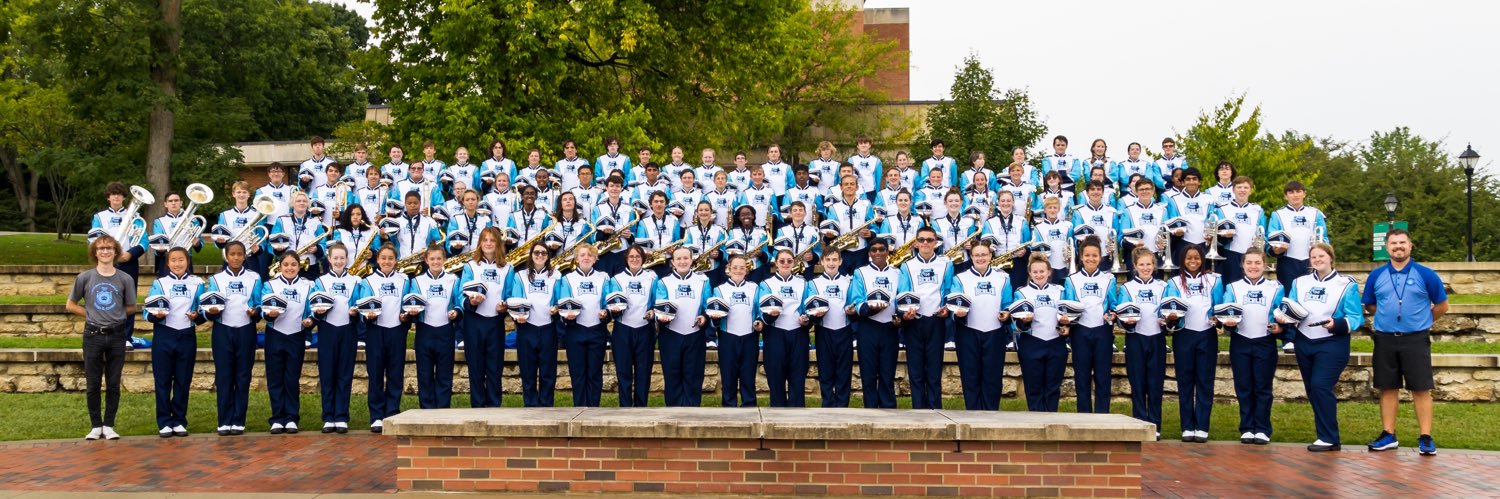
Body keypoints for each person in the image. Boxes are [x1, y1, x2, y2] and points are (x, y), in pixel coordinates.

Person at [1363, 229, 1446, 455]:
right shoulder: (1376, 275)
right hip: (1385, 338)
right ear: (1387, 247)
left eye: (1402, 243)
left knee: (1421, 388)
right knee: (1388, 387)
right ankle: (1388, 434)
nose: (1398, 247)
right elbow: (1370, 305)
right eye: (1393, 243)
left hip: (1415, 339)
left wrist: (1423, 321)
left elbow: (1442, 305)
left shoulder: (1426, 274)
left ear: (1410, 246)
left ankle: (1426, 437)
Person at [67, 235, 137, 440]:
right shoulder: (85, 278)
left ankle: (109, 425)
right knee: (93, 383)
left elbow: (132, 306)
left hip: (116, 335)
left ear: (115, 252)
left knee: (114, 383)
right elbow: (70, 304)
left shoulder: (125, 279)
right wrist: (90, 315)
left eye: (109, 248)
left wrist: (116, 315)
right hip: (93, 335)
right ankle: (95, 426)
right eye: (100, 249)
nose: (105, 252)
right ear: (95, 253)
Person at [1219, 248, 1284, 445]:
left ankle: (1262, 428)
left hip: (1265, 341)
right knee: (1244, 386)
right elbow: (1225, 313)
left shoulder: (1276, 287)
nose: (1253, 267)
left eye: (1257, 263)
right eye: (1249, 263)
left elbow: (1282, 313)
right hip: (1241, 340)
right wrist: (1227, 322)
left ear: (1265, 265)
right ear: (1243, 265)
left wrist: (1280, 327)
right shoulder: (1233, 287)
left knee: (1263, 387)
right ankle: (1247, 427)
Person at [1164, 245, 1223, 443]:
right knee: (1185, 382)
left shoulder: (1215, 280)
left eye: (1196, 257)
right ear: (1182, 260)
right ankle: (1187, 426)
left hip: (1206, 334)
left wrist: (1218, 318)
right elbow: (1168, 309)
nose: (1193, 261)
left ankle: (1202, 426)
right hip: (1183, 335)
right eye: (1188, 258)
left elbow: (1219, 306)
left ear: (1202, 259)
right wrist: (1170, 317)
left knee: (1205, 382)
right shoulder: (1173, 282)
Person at [203, 241, 261, 436]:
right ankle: (224, 420)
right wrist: (210, 311)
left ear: (245, 256)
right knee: (224, 376)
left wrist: (255, 312)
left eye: (239, 254)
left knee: (243, 376)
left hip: (246, 330)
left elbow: (260, 304)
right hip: (223, 330)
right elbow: (210, 304)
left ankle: (238, 420)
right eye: (232, 254)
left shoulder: (254, 278)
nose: (236, 257)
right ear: (226, 256)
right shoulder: (216, 279)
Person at [144, 247, 203, 437]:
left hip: (186, 335)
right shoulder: (159, 284)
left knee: (183, 380)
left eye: (181, 260)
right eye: (173, 260)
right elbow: (147, 311)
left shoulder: (198, 283)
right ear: (167, 263)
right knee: (162, 381)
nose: (177, 264)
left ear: (188, 261)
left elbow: (204, 310)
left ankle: (179, 420)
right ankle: (164, 421)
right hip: (164, 335)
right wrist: (156, 316)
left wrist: (197, 316)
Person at [1268, 180, 1329, 353]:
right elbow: (1270, 239)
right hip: (1288, 260)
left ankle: (1312, 333)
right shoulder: (1277, 215)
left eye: (1298, 191)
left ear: (1304, 193)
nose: (1295, 195)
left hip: (1310, 261)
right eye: (1291, 192)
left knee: (1310, 298)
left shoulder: (1315, 213)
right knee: (1288, 299)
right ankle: (1288, 337)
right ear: (1285, 195)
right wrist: (1274, 248)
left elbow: (1324, 238)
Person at [951, 241, 1013, 411]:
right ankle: (973, 413)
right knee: (970, 375)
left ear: (990, 256)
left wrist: (1006, 313)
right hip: (969, 332)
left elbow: (1008, 303)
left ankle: (991, 414)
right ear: (971, 257)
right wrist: (957, 313)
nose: (980, 258)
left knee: (992, 377)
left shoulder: (1003, 278)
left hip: (994, 332)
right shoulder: (960, 279)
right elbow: (953, 304)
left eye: (984, 254)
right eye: (977, 255)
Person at [896, 227, 952, 409]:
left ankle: (936, 409)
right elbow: (902, 293)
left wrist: (947, 309)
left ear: (936, 242)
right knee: (916, 369)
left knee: (934, 369)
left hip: (936, 320)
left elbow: (949, 291)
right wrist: (906, 311)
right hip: (915, 321)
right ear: (916, 243)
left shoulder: (946, 264)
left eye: (929, 240)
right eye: (922, 240)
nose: (926, 243)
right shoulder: (907, 265)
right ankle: (918, 409)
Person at [455, 227, 512, 408]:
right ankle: (478, 407)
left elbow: (510, 294)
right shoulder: (471, 266)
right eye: (485, 240)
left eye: (492, 240)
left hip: (495, 321)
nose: (488, 243)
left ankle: (494, 406)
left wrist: (505, 306)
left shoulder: (507, 268)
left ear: (498, 244)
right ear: (480, 243)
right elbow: (460, 295)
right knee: (476, 367)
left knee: (495, 367)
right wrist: (472, 301)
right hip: (474, 321)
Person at [1064, 236, 1121, 414]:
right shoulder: (1071, 280)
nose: (1091, 259)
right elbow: (1069, 306)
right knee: (1082, 377)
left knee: (1103, 376)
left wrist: (1113, 313)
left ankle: (1103, 417)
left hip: (1102, 331)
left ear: (1101, 257)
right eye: (1087, 255)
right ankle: (1084, 417)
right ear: (1081, 257)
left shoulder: (1109, 279)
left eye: (1094, 255)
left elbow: (1113, 305)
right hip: (1080, 332)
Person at [357, 244, 410, 434]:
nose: (387, 261)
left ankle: (393, 411)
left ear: (395, 261)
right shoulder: (368, 281)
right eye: (383, 258)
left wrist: (406, 316)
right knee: (376, 373)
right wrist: (367, 315)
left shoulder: (404, 280)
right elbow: (363, 305)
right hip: (376, 330)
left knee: (395, 373)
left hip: (396, 330)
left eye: (390, 258)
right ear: (377, 260)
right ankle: (377, 415)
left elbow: (408, 304)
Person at [847, 239, 905, 408]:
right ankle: (870, 409)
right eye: (874, 250)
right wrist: (868, 309)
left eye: (882, 249)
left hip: (890, 327)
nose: (878, 253)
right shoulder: (861, 272)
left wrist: (900, 316)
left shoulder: (897, 273)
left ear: (888, 252)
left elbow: (901, 297)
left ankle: (888, 409)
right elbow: (855, 299)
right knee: (868, 373)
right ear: (869, 253)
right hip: (868, 326)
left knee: (888, 372)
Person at [261, 251, 314, 434]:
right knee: (275, 377)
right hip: (275, 333)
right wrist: (269, 314)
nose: (289, 268)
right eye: (286, 265)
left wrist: (310, 321)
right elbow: (263, 309)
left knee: (292, 378)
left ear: (299, 266)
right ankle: (277, 417)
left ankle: (291, 417)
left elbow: (311, 310)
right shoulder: (270, 285)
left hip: (296, 335)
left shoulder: (308, 286)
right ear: (279, 266)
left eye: (293, 264)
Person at [310, 242, 360, 433]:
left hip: (347, 329)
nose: (339, 261)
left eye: (342, 258)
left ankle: (341, 416)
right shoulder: (320, 282)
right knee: (328, 373)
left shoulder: (356, 281)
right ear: (329, 259)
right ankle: (328, 416)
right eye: (335, 258)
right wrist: (318, 312)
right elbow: (314, 306)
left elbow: (359, 305)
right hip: (327, 329)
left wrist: (356, 311)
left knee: (344, 373)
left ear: (347, 259)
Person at [1120, 247, 1168, 439]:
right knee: (1138, 383)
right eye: (1142, 264)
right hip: (1135, 338)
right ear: (1135, 266)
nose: (1145, 268)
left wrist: (1168, 321)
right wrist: (1126, 321)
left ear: (1154, 266)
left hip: (1156, 338)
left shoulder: (1163, 287)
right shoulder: (1127, 288)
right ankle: (1139, 423)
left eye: (1149, 264)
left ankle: (1155, 425)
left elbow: (1170, 310)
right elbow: (1122, 314)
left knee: (1155, 384)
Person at [654, 247, 711, 407]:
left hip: (694, 334)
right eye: (678, 259)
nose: (682, 261)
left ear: (692, 260)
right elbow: (660, 305)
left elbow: (708, 305)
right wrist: (663, 319)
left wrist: (704, 317)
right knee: (672, 374)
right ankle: (673, 411)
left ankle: (692, 411)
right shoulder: (664, 282)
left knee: (693, 374)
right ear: (672, 262)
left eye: (686, 258)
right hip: (671, 334)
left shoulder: (703, 280)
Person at [1013, 253, 1070, 412]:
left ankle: (1051, 423)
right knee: (1034, 388)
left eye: (1042, 271)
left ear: (1049, 272)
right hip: (1031, 343)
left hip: (1055, 343)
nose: (1039, 275)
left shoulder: (1059, 291)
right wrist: (1024, 321)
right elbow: (1015, 322)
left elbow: (1065, 315)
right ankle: (1036, 426)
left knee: (1053, 387)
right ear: (1030, 273)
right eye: (1035, 272)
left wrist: (1065, 323)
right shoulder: (1021, 293)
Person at [604, 246, 658, 407]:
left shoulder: (652, 278)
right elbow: (610, 302)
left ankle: (641, 406)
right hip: (623, 329)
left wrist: (653, 312)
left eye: (638, 256)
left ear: (643, 258)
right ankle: (625, 407)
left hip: (644, 329)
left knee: (644, 371)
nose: (635, 259)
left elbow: (657, 302)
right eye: (631, 256)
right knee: (623, 371)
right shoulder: (617, 279)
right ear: (626, 259)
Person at [557, 244, 610, 407]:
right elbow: (563, 303)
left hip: (596, 330)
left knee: (594, 372)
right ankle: (579, 408)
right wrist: (568, 315)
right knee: (578, 373)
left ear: (595, 259)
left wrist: (606, 312)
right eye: (582, 255)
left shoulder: (603, 277)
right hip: (575, 330)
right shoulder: (567, 279)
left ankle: (594, 408)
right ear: (576, 258)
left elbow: (608, 301)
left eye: (590, 255)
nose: (586, 257)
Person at [409, 245, 460, 409]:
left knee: (445, 374)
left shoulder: (453, 280)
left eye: (439, 258)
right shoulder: (417, 281)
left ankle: (443, 410)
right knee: (424, 373)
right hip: (425, 330)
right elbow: (412, 303)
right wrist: (413, 311)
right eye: (432, 259)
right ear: (426, 260)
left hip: (445, 330)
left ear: (444, 260)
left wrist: (456, 312)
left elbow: (459, 302)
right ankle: (426, 410)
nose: (436, 262)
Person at [510, 243, 561, 407]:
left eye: (544, 253)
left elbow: (561, 299)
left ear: (548, 256)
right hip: (527, 328)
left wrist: (557, 309)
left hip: (548, 328)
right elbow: (515, 300)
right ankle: (530, 406)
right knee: (528, 371)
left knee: (548, 372)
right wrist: (518, 316)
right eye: (536, 253)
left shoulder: (556, 275)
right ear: (531, 255)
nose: (540, 256)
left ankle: (546, 406)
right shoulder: (520, 276)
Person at [760, 250, 811, 407]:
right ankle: (777, 411)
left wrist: (806, 318)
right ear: (776, 263)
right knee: (775, 376)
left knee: (798, 375)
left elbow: (807, 306)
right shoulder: (766, 284)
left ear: (794, 263)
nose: (786, 264)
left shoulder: (803, 283)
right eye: (782, 261)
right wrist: (770, 315)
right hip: (775, 332)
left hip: (798, 332)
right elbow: (761, 307)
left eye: (789, 261)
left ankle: (797, 416)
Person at [713, 255, 761, 407]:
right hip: (728, 336)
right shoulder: (719, 289)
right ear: (728, 270)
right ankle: (729, 408)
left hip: (749, 336)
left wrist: (760, 321)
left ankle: (749, 406)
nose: (738, 271)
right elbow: (715, 314)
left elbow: (759, 310)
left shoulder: (755, 288)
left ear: (747, 270)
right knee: (728, 376)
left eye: (742, 268)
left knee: (748, 376)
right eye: (735, 267)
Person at [809, 250, 854, 407]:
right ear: (822, 261)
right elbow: (810, 307)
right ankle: (827, 404)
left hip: (844, 329)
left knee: (843, 371)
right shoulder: (814, 283)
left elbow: (852, 302)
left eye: (835, 259)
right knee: (825, 370)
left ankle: (842, 405)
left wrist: (851, 310)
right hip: (824, 329)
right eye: (828, 259)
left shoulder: (849, 281)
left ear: (840, 261)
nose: (831, 263)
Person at [91, 182, 149, 285]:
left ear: (124, 197)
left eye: (120, 194)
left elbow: (144, 241)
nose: (116, 196)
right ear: (108, 197)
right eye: (113, 194)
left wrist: (130, 254)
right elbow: (94, 240)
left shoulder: (135, 216)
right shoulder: (99, 217)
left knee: (129, 297)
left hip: (129, 261)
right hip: (106, 260)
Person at [1216, 175, 1265, 285]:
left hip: (1252, 256)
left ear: (1251, 190)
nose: (1242, 190)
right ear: (1233, 190)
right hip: (1230, 255)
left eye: (1246, 187)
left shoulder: (1258, 210)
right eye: (1239, 187)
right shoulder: (1222, 209)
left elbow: (1262, 233)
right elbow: (1216, 238)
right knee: (1229, 286)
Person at [269, 191, 328, 280]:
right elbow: (272, 243)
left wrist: (316, 249)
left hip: (309, 266)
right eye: (298, 201)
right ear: (292, 203)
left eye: (304, 201)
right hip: (287, 265)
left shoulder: (316, 222)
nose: (301, 203)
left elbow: (323, 244)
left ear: (308, 204)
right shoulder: (281, 220)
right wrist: (278, 248)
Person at [825, 174, 876, 274]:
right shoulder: (834, 207)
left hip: (862, 250)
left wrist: (871, 233)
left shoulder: (866, 204)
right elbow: (832, 230)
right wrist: (829, 236)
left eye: (852, 184)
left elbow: (874, 227)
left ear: (857, 187)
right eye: (846, 184)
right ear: (841, 187)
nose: (849, 186)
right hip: (841, 252)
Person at [1071, 181, 1123, 273]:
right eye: (1092, 189)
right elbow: (1076, 238)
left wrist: (1114, 247)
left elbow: (1117, 235)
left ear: (1103, 192)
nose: (1096, 192)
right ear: (1087, 193)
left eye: (1099, 189)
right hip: (1088, 258)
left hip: (1107, 257)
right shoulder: (1079, 213)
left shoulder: (1112, 212)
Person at [149, 192, 202, 277]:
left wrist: (197, 243)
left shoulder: (192, 219)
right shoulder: (159, 221)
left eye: (176, 200)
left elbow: (200, 244)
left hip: (186, 259)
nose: (173, 203)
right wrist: (160, 249)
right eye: (170, 201)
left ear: (181, 203)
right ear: (166, 204)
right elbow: (157, 246)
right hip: (167, 260)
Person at [1031, 197, 1073, 284]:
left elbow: (1071, 246)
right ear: (1045, 210)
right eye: (1049, 208)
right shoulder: (1038, 228)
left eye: (1055, 207)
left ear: (1058, 209)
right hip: (1047, 268)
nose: (1052, 210)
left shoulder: (1067, 226)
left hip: (1064, 266)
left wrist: (1070, 254)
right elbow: (1036, 251)